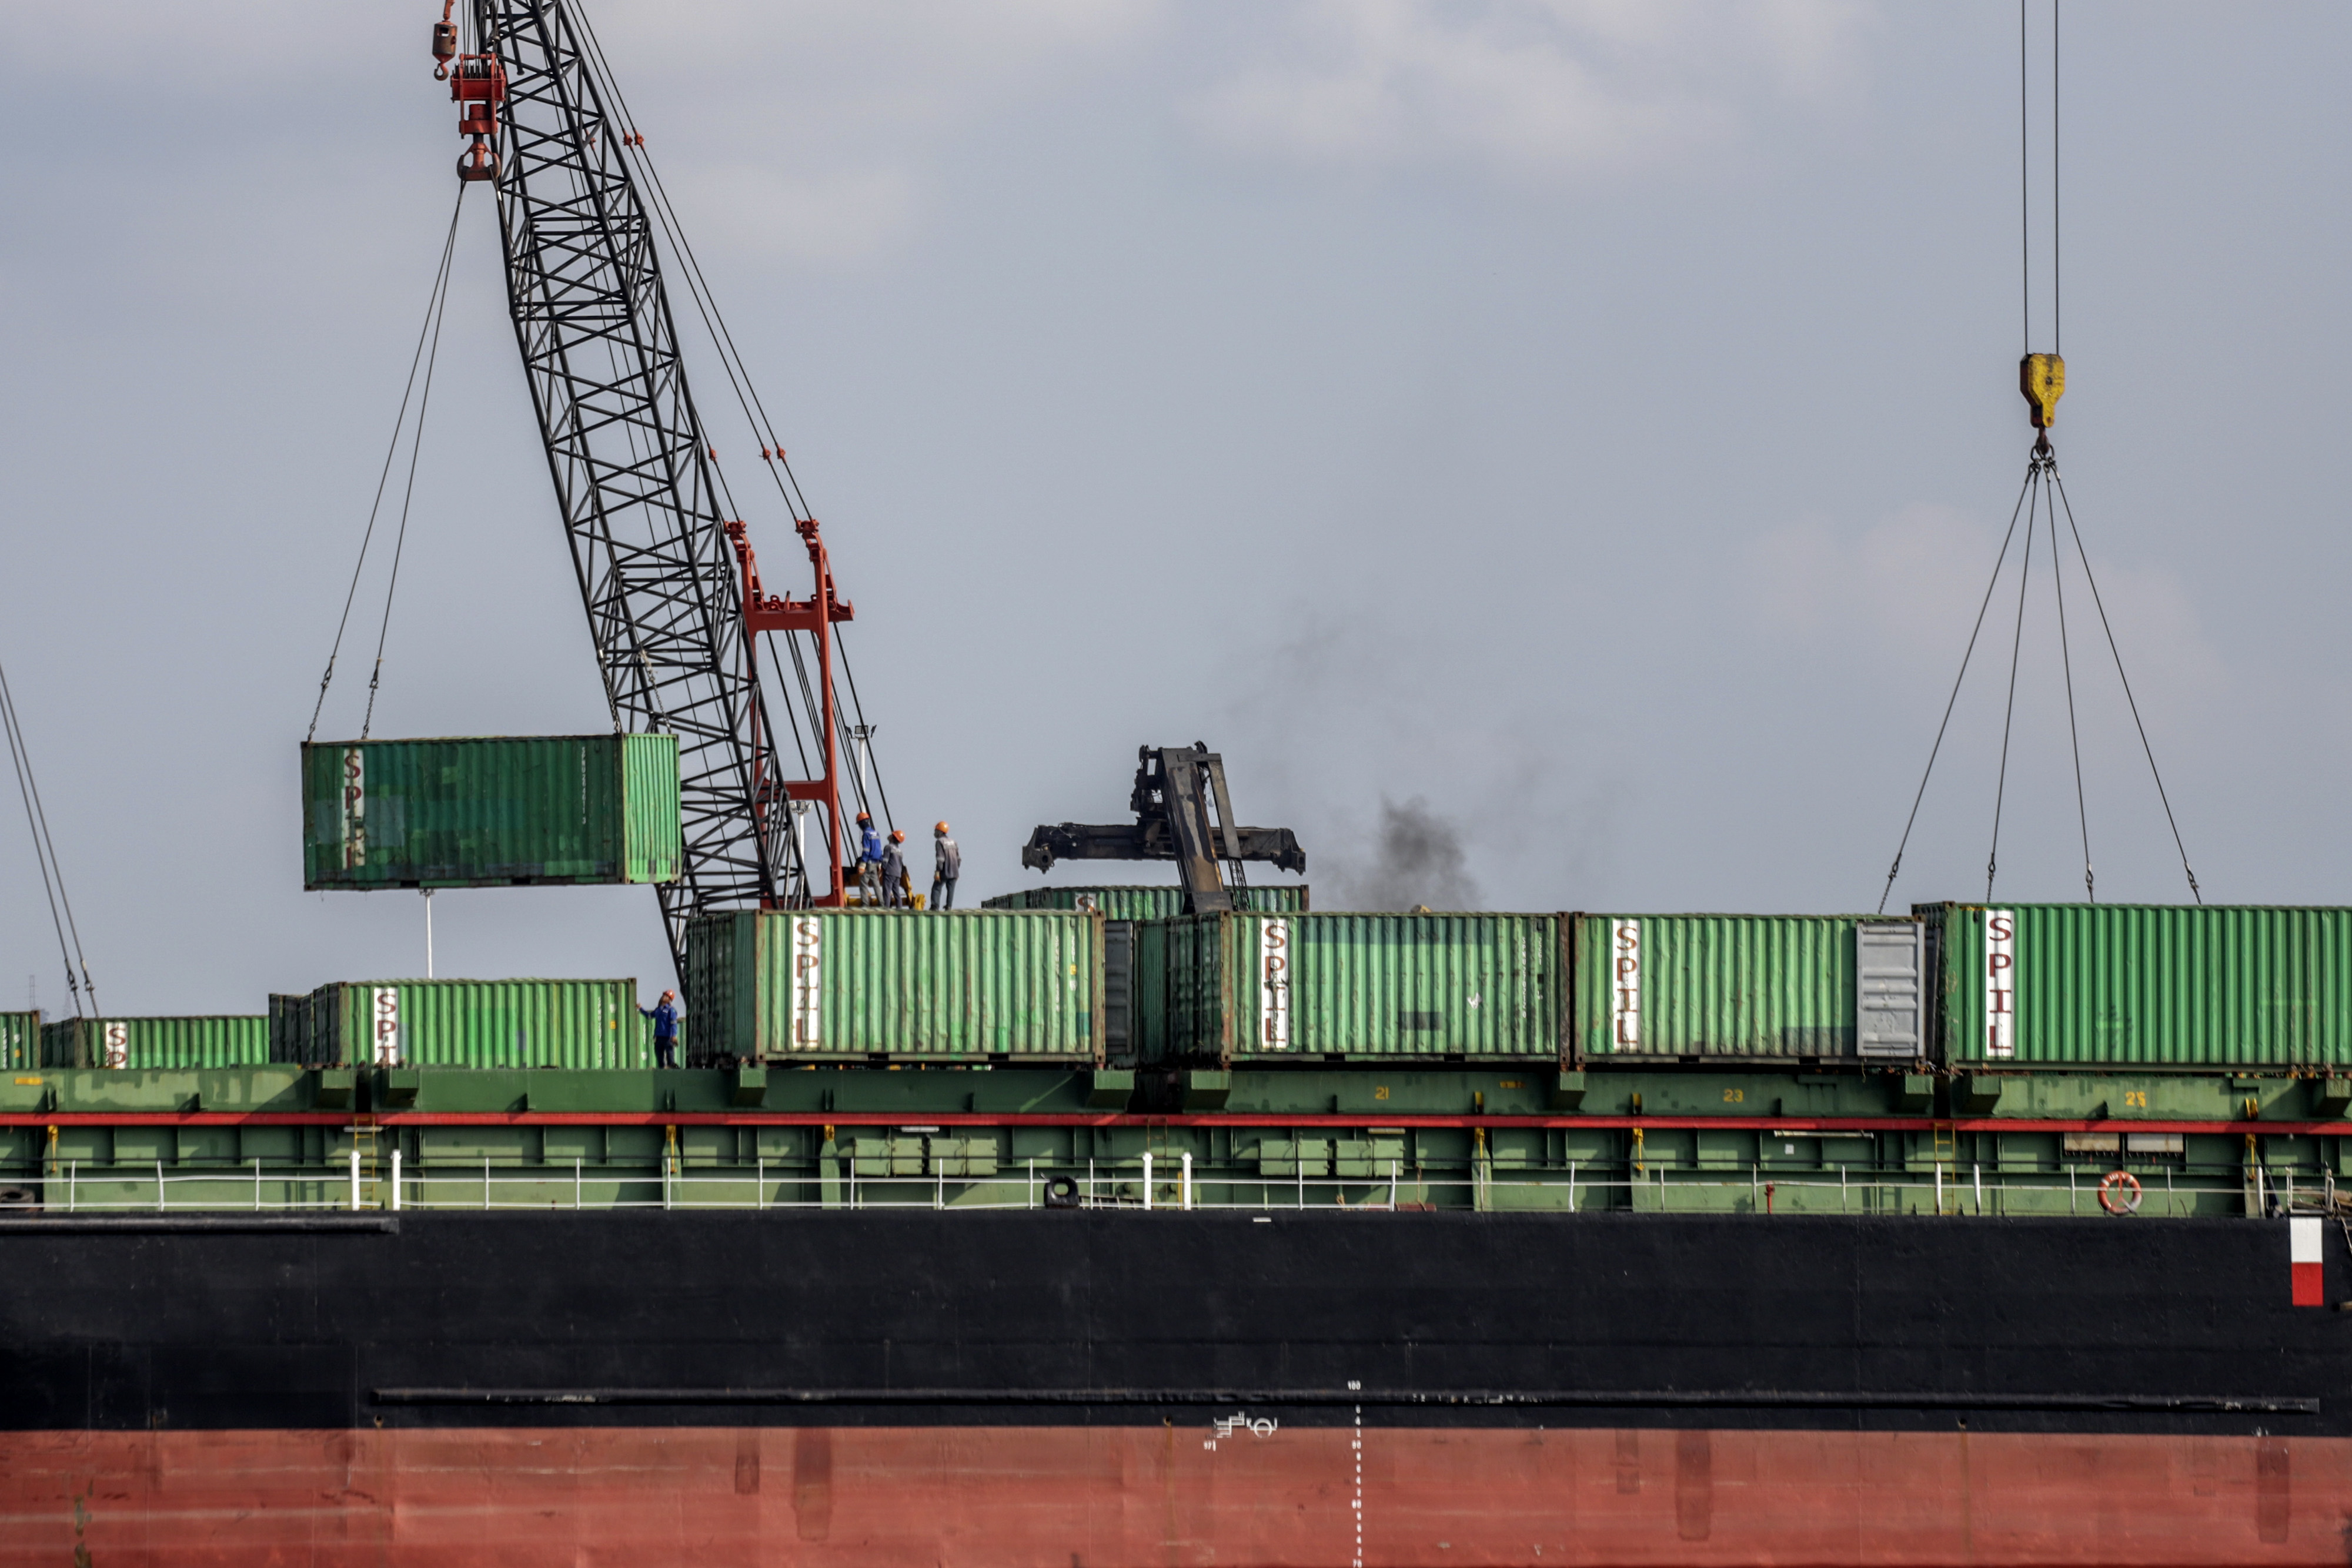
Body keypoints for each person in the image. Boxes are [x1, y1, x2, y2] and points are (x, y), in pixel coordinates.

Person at [640, 989, 681, 1069]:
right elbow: (649, 1016)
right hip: (659, 1037)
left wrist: (674, 1035)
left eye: (667, 996)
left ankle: (672, 1071)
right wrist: (641, 1009)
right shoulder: (658, 1010)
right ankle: (662, 1071)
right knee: (660, 1057)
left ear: (670, 1000)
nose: (664, 997)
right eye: (664, 995)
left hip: (668, 1038)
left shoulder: (671, 1010)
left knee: (670, 1058)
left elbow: (673, 1023)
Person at [856, 811, 885, 905]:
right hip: (876, 862)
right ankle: (882, 903)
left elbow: (866, 850)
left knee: (863, 884)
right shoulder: (876, 833)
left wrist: (863, 864)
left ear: (862, 823)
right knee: (876, 885)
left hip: (869, 863)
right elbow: (879, 849)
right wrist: (880, 862)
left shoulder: (866, 835)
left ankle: (865, 904)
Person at [931, 821, 960, 910]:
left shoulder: (940, 842)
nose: (934, 832)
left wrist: (938, 871)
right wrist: (956, 868)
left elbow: (940, 858)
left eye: (936, 830)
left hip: (945, 870)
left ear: (940, 831)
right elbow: (959, 859)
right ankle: (949, 907)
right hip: (955, 871)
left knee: (937, 888)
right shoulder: (953, 842)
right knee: (951, 890)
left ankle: (935, 907)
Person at [880, 829, 908, 908]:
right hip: (897, 874)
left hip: (889, 873)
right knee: (897, 893)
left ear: (893, 838)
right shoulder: (900, 851)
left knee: (887, 892)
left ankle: (886, 909)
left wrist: (882, 870)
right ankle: (899, 909)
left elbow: (885, 861)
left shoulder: (888, 847)